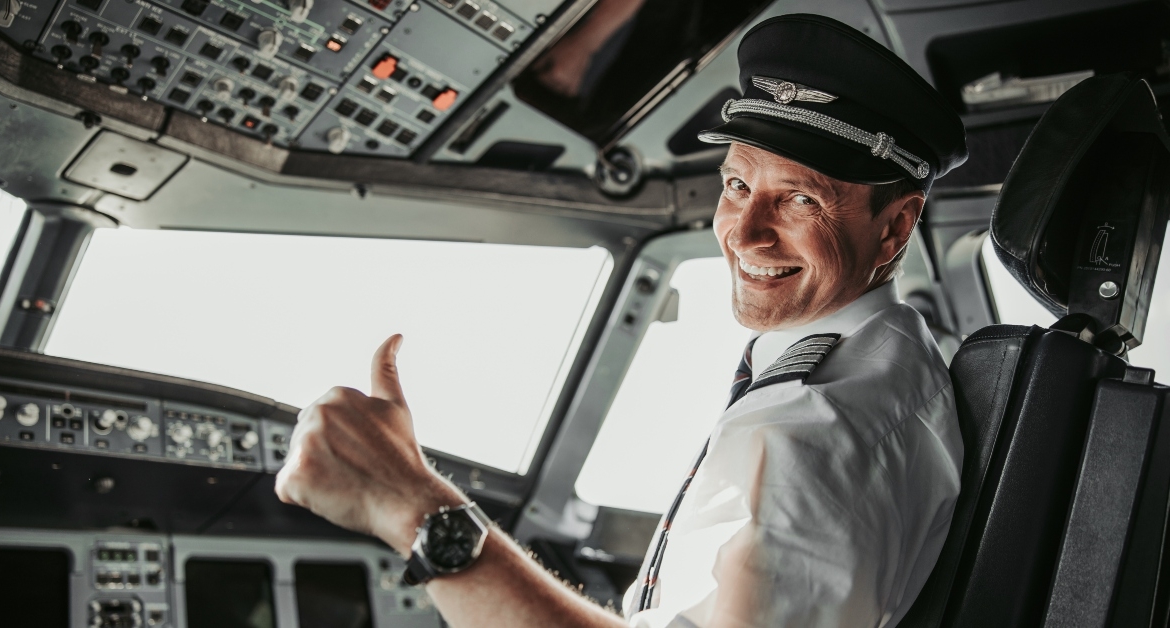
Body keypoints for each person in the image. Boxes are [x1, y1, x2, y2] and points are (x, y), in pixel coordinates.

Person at [274, 13, 968, 628]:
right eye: (737, 185)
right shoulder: (886, 353)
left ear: (895, 228)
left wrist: (410, 505)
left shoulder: (804, 439)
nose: (745, 233)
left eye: (799, 201)